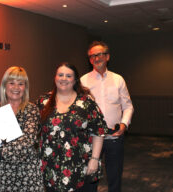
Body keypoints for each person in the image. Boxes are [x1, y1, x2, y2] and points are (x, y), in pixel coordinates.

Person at [36, 62, 108, 192]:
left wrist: (95, 159)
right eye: (60, 75)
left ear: (75, 80)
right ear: (55, 78)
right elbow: (33, 128)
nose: (64, 78)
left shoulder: (87, 102)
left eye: (68, 76)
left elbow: (99, 131)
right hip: (51, 166)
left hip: (81, 166)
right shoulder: (43, 101)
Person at [0, 66, 44, 192]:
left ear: (25, 88)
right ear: (4, 86)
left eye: (21, 84)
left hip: (27, 177)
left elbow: (26, 144)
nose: (16, 87)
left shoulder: (31, 110)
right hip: (1, 177)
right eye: (11, 83)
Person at [81, 41, 134, 192]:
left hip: (114, 135)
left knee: (115, 175)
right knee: (90, 177)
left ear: (107, 57)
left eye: (99, 55)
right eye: (92, 56)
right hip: (90, 137)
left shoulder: (118, 79)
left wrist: (124, 124)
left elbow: (128, 106)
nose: (96, 58)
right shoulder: (82, 81)